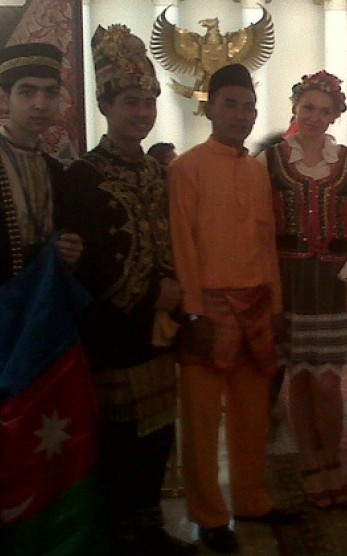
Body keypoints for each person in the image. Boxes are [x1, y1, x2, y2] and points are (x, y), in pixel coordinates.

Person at [54, 25, 195, 554]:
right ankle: (119, 534)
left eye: (149, 102)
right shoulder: (81, 176)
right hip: (112, 334)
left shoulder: (159, 173)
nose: (142, 112)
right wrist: (144, 293)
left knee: (157, 436)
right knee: (119, 439)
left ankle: (149, 524)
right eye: (131, 102)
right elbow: (79, 263)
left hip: (159, 330)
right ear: (106, 105)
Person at [168, 63, 297, 554]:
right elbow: (184, 244)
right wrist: (195, 314)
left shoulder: (256, 170)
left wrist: (278, 307)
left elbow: (267, 246)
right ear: (209, 108)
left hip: (258, 306)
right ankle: (207, 513)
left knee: (252, 416)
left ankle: (252, 500)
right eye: (230, 104)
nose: (240, 114)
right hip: (208, 309)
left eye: (248, 105)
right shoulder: (186, 168)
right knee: (201, 421)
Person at [257, 70, 347, 509]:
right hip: (287, 282)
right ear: (295, 106)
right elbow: (256, 225)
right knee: (300, 377)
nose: (315, 116)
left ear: (335, 114)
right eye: (309, 107)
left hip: (332, 282)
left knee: (327, 381)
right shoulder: (268, 160)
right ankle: (311, 464)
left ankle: (333, 461)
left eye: (325, 110)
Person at [0, 42, 82, 283]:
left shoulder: (55, 170)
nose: (41, 104)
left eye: (50, 92)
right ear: (5, 99)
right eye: (27, 92)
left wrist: (71, 252)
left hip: (39, 304)